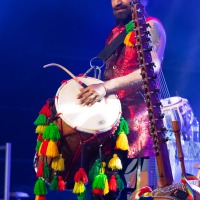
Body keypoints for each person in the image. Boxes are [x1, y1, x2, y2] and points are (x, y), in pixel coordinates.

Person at [77, 0, 166, 199]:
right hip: (111, 125)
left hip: (139, 130)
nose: (118, 1)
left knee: (134, 193)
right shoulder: (114, 34)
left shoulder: (151, 25)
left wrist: (105, 87)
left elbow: (151, 69)